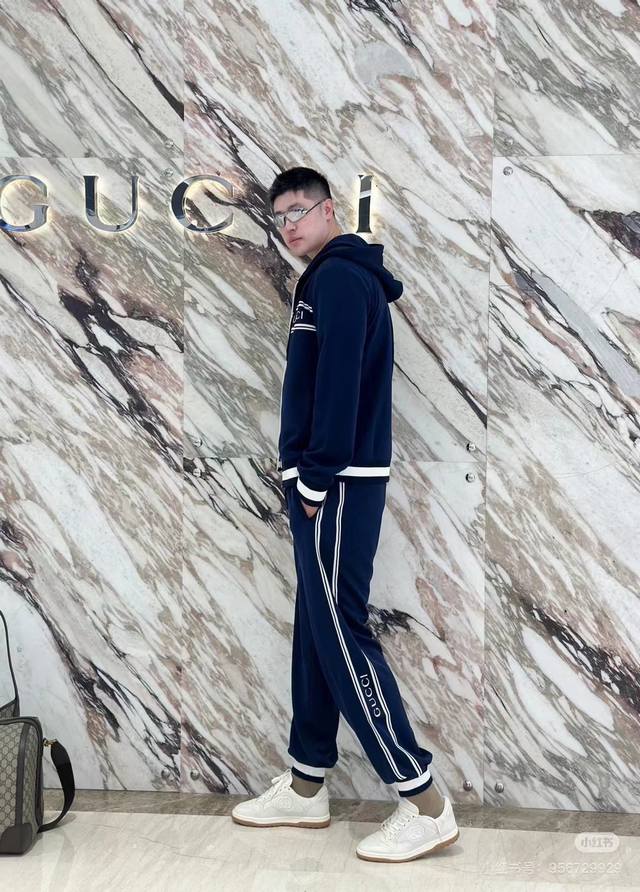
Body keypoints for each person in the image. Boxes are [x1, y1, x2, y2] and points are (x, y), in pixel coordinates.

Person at [231, 167, 459, 863]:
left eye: (298, 211)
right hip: (331, 479)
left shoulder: (337, 279)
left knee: (340, 630)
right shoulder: (330, 278)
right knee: (317, 626)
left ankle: (423, 801)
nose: (289, 226)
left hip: (336, 481)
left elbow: (338, 385)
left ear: (329, 210)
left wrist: (316, 475)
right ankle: (307, 783)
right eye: (279, 217)